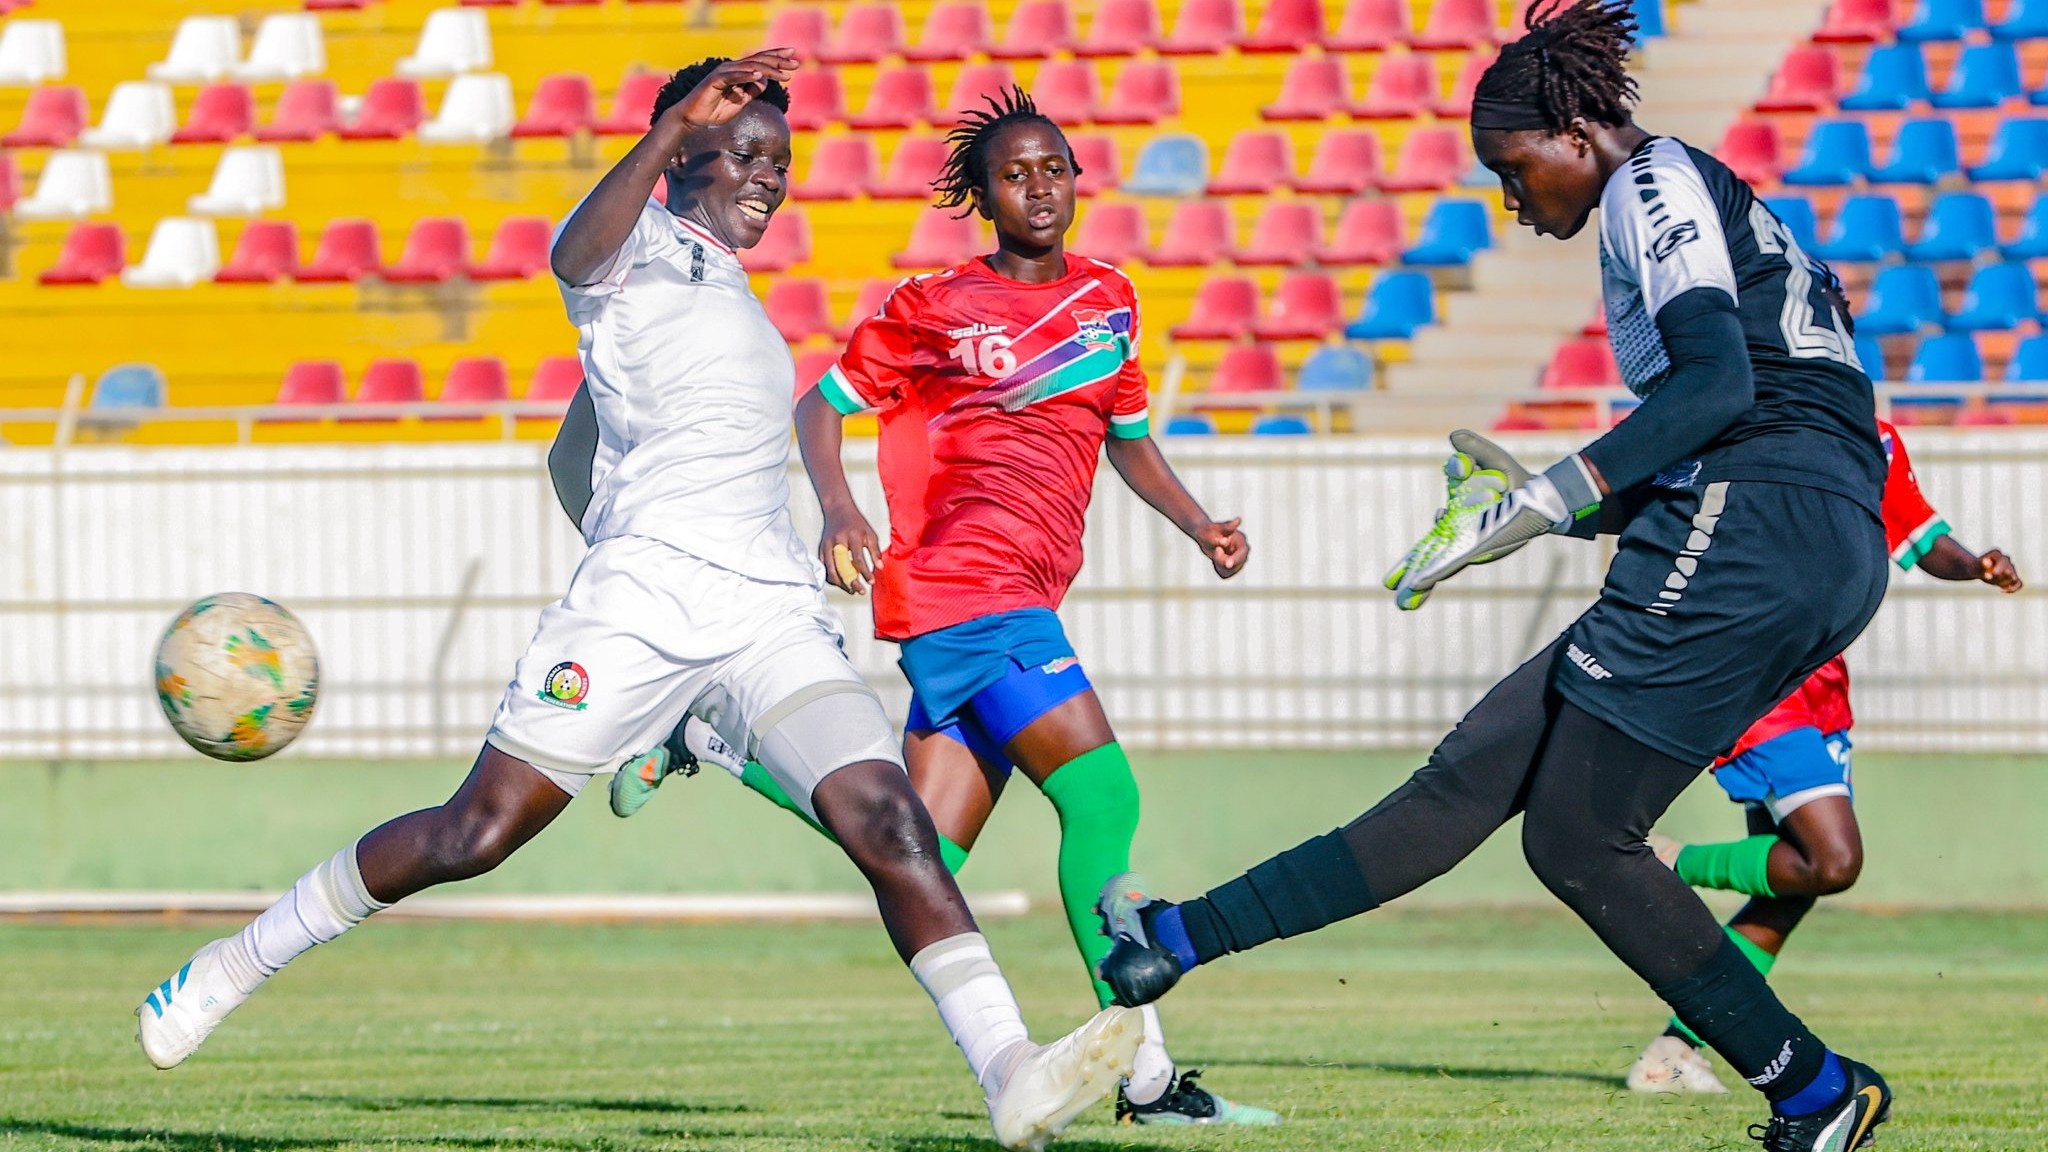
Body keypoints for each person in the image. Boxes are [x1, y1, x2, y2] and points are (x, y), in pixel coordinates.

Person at [134, 54, 1142, 1152]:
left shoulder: (740, 306)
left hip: (764, 620)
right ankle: (231, 964)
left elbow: (579, 453)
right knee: (474, 833)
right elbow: (569, 253)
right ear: (684, 150)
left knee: (891, 822)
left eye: (779, 162)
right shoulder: (628, 258)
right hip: (639, 611)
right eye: (744, 154)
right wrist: (666, 134)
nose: (767, 178)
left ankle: (1008, 1072)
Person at [1091, 3, 1899, 1148]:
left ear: (1574, 128)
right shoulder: (1685, 197)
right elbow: (1736, 416)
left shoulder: (1648, 187)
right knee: (1468, 780)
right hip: (1796, 532)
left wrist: (1542, 498)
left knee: (1576, 838)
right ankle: (1179, 937)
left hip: (1757, 523)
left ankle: (1812, 1089)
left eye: (1512, 169)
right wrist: (1550, 511)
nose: (1511, 201)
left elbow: (1718, 390)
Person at [606, 86, 1275, 1128]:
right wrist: (838, 510)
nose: (1037, 187)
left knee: (921, 850)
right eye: (1013, 173)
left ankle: (711, 733)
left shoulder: (1110, 298)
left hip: (1012, 594)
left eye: (1052, 168)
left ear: (1075, 179)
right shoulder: (935, 308)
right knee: (1101, 803)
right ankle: (1147, 1084)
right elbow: (819, 408)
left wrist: (1197, 524)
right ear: (981, 194)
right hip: (970, 589)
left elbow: (1128, 436)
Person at [1629, 418, 2024, 1093]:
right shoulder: (1745, 424)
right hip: (1758, 675)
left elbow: (1923, 536)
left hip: (1824, 687)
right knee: (1834, 860)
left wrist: (1975, 566)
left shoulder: (1876, 439)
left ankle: (1669, 1057)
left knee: (1792, 891)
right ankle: (1671, 862)